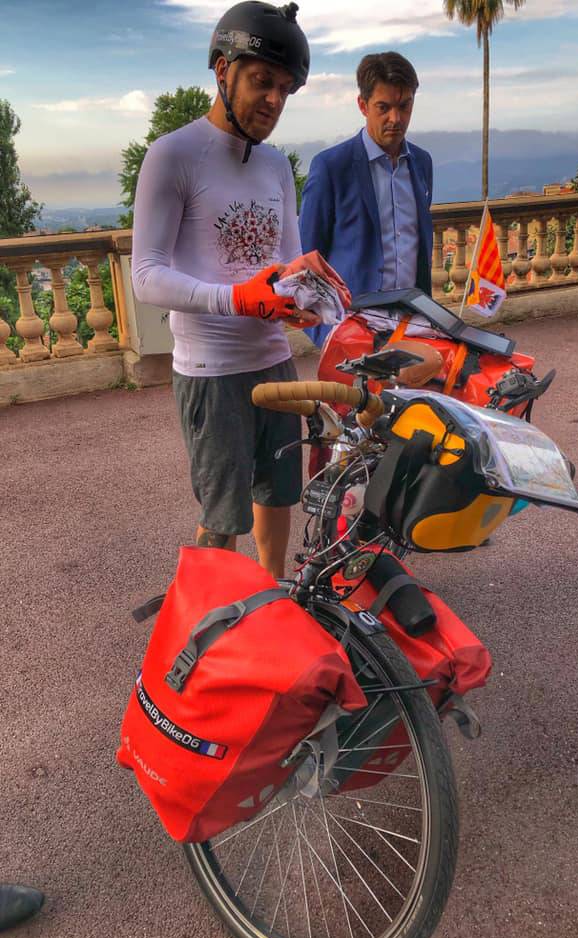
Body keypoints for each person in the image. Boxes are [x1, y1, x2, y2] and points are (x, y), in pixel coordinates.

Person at [131, 2, 316, 578]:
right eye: (263, 82)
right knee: (222, 513)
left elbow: (285, 263)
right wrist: (235, 299)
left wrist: (306, 297)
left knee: (279, 493)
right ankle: (215, 626)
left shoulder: (276, 166)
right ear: (221, 69)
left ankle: (273, 599)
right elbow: (146, 274)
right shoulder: (173, 155)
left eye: (285, 89)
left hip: (276, 361)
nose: (274, 101)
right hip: (211, 372)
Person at [299, 51, 434, 346]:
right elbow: (306, 262)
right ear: (363, 105)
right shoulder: (331, 167)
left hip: (413, 327)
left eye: (404, 106)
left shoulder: (422, 164)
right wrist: (328, 336)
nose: (395, 119)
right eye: (383, 107)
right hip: (352, 334)